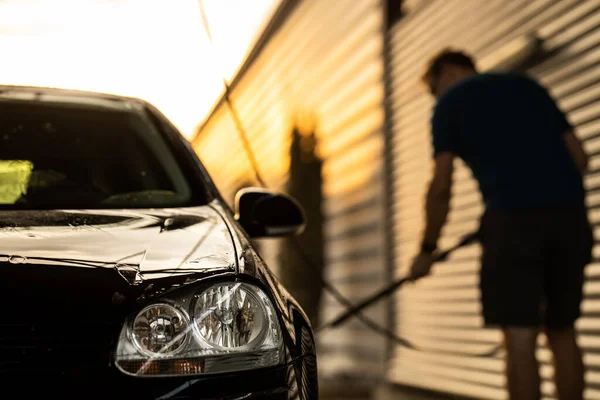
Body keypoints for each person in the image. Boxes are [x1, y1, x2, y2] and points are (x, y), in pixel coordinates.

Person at [408, 49, 593, 400]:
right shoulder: (528, 86)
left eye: (434, 88)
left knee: (520, 336)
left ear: (446, 71)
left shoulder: (450, 104)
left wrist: (427, 249)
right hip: (570, 221)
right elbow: (580, 158)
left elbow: (441, 185)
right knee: (562, 331)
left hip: (513, 227)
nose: (436, 96)